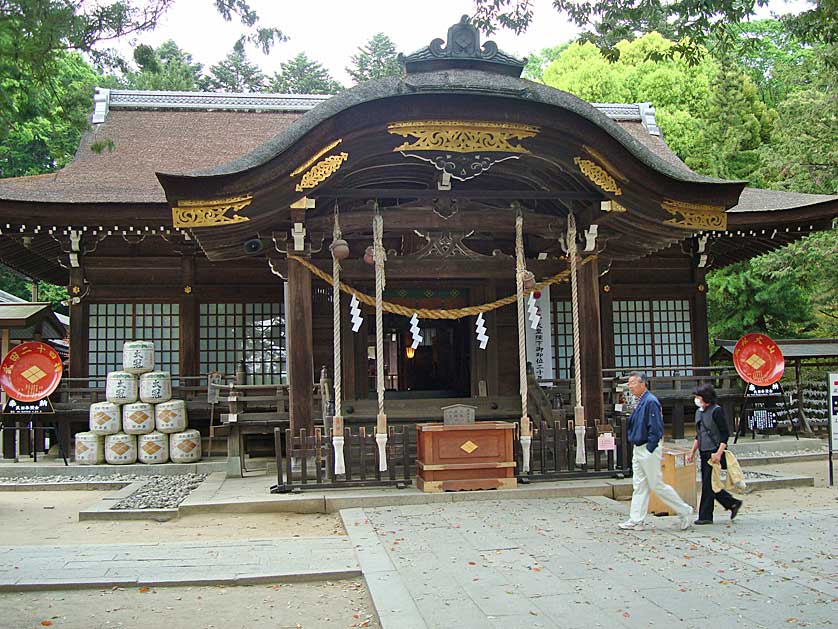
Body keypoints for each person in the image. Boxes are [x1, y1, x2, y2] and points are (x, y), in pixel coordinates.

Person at [618, 371, 694, 531]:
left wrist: (650, 449)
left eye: (632, 383)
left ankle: (684, 510)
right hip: (639, 446)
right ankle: (636, 519)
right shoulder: (641, 401)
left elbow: (656, 428)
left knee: (656, 484)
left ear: (642, 383)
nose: (630, 386)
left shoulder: (650, 401)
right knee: (639, 484)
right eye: (629, 383)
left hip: (648, 447)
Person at [686, 384, 743, 524]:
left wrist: (719, 453)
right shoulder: (699, 412)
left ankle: (706, 516)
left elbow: (725, 434)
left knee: (708, 484)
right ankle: (732, 503)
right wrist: (692, 451)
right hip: (703, 450)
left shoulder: (716, 411)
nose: (696, 399)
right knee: (710, 483)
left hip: (714, 452)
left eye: (698, 397)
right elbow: (698, 434)